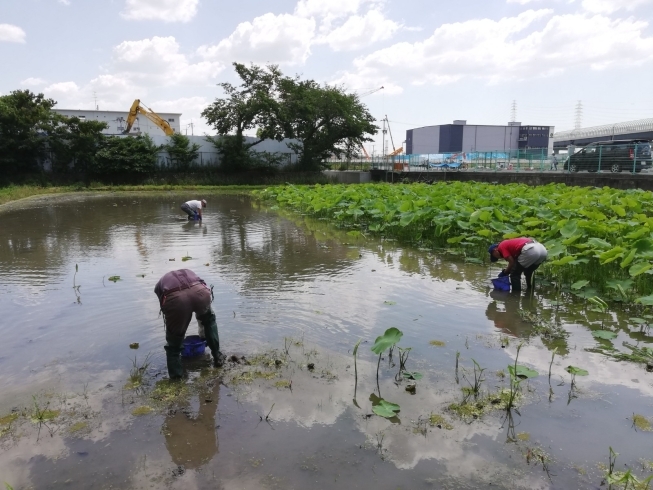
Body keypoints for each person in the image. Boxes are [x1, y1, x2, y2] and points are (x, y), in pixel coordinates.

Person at [154, 269, 223, 379]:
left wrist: (176, 328)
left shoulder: (160, 285)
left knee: (174, 343)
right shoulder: (189, 272)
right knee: (209, 321)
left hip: (177, 300)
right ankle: (218, 357)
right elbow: (202, 286)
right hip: (201, 293)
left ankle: (177, 378)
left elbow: (164, 306)